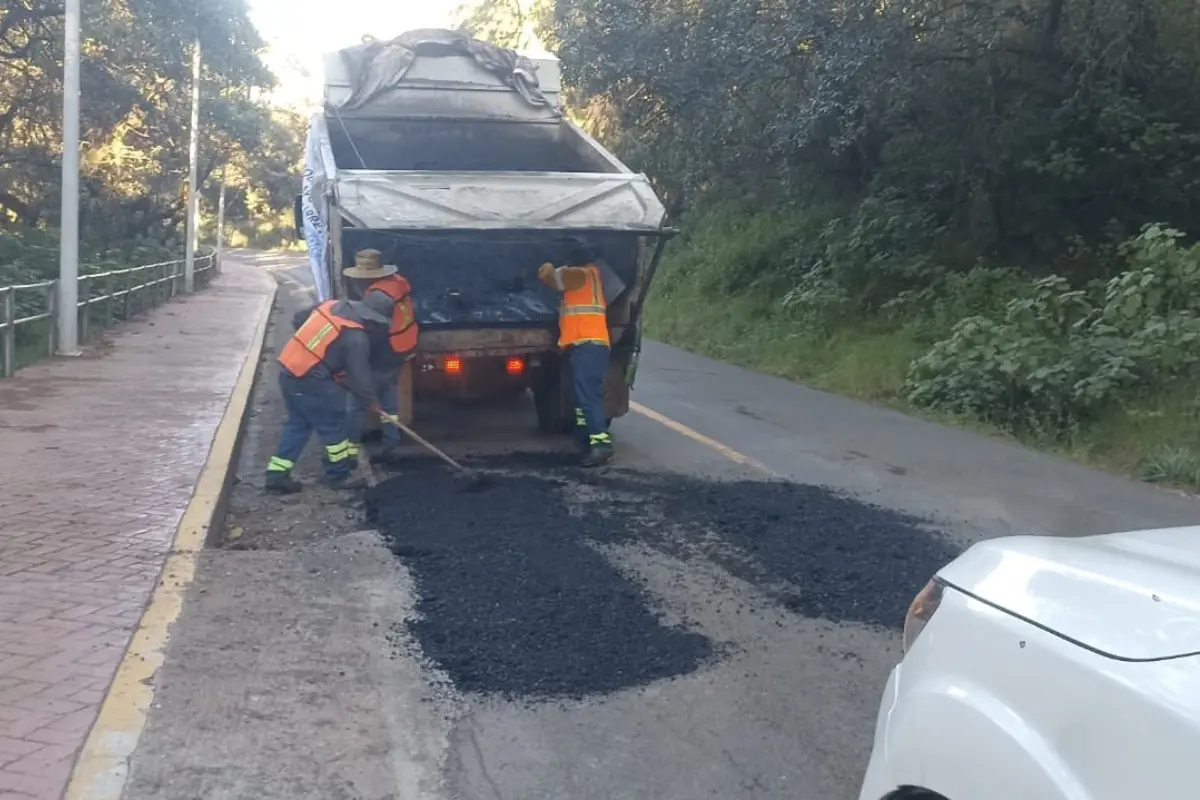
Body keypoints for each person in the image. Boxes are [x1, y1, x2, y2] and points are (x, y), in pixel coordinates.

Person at [264, 297, 390, 494]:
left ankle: (277, 475)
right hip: (311, 380)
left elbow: (299, 319)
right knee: (333, 425)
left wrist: (320, 354)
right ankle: (338, 475)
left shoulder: (331, 306)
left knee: (299, 425)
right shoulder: (356, 339)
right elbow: (360, 374)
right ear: (371, 321)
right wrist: (370, 400)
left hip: (289, 370)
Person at [538, 240, 614, 466]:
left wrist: (546, 261)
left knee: (588, 396)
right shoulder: (592, 276)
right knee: (582, 396)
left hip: (588, 345)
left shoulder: (580, 275)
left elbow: (548, 277)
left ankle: (601, 445)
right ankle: (583, 441)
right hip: (587, 346)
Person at [341, 248, 419, 464]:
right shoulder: (397, 282)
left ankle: (350, 452)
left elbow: (371, 335)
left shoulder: (377, 298)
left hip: (385, 353)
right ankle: (391, 444)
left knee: (355, 403)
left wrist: (357, 364)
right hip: (403, 348)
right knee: (388, 399)